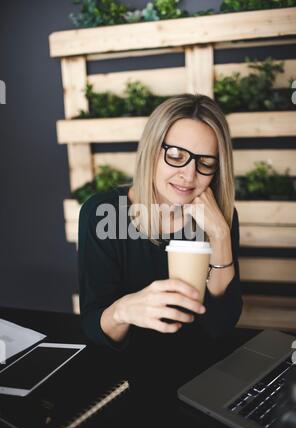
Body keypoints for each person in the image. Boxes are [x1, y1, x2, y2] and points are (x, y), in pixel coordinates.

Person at [78, 94, 243, 352]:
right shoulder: (102, 213)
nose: (189, 175)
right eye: (176, 155)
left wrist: (220, 235)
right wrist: (123, 311)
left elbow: (221, 326)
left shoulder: (219, 217)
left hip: (201, 370)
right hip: (126, 371)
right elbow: (93, 327)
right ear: (152, 150)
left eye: (205, 163)